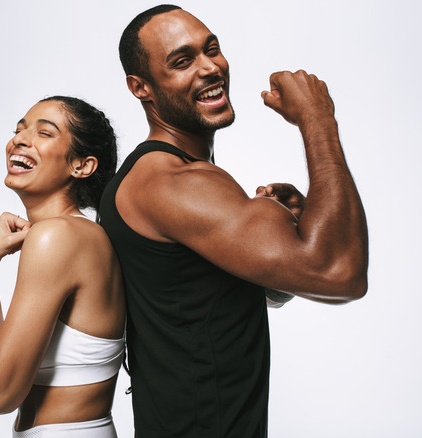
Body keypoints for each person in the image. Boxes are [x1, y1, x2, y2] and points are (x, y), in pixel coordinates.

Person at [98, 5, 369, 437]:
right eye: (182, 61)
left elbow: (234, 299)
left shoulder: (171, 177)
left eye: (213, 49)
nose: (210, 68)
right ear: (141, 87)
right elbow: (340, 274)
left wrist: (293, 234)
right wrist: (318, 119)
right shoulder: (172, 182)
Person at [0, 96, 125, 437]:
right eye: (19, 129)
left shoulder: (56, 237)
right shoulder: (81, 234)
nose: (20, 139)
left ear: (82, 166)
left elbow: (1, 394)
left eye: (45, 133)